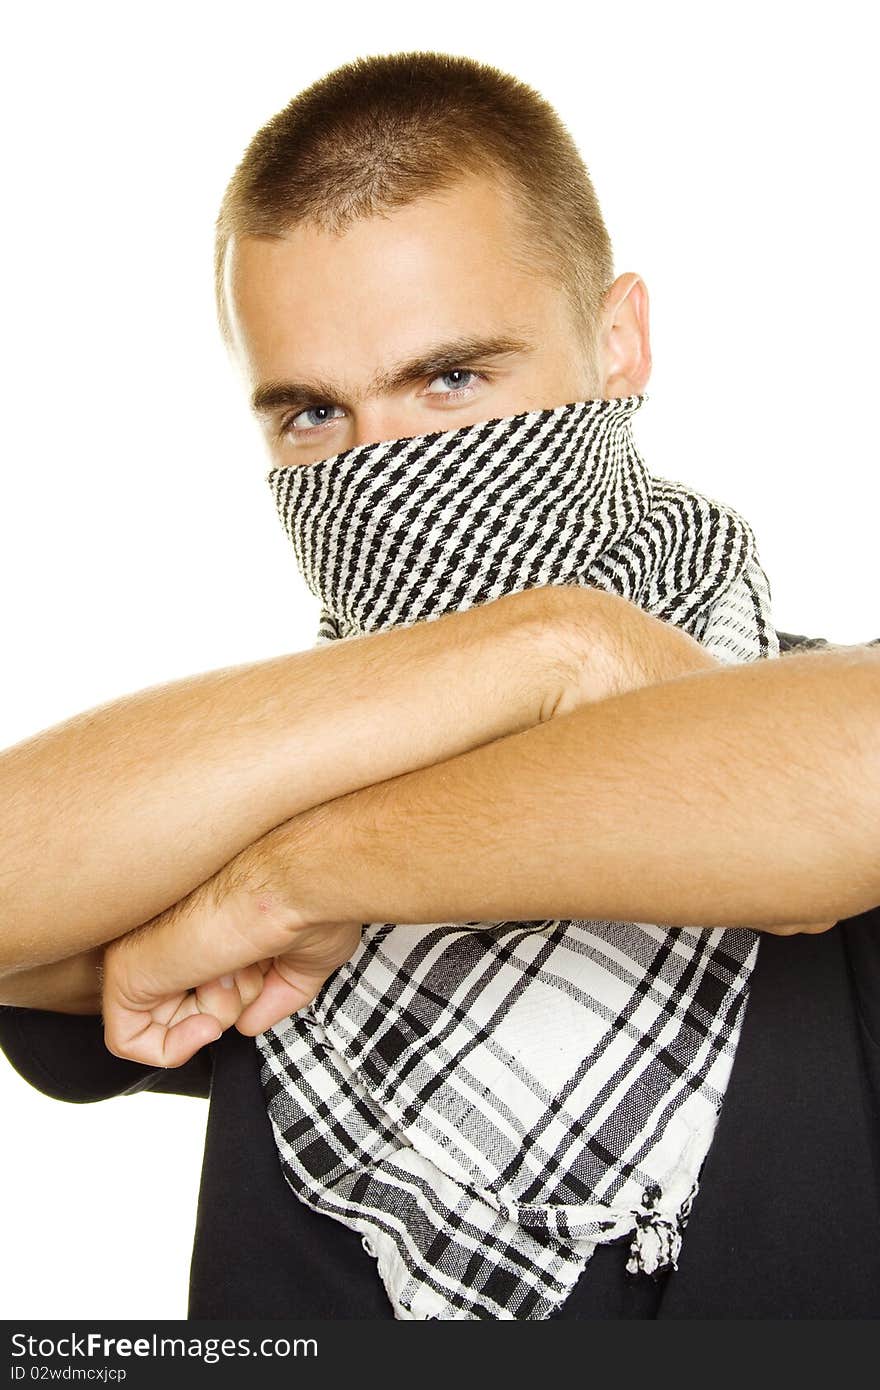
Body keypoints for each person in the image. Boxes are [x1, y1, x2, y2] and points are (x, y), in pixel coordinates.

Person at [2, 51, 879, 1321]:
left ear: (619, 339)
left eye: (453, 378)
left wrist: (284, 882)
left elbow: (839, 782)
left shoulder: (809, 708)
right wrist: (555, 647)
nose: (386, 476)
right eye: (311, 416)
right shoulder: (219, 785)